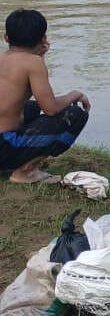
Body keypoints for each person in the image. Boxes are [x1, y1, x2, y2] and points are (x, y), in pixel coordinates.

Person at [1, 9, 91, 184]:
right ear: (43, 39)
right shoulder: (33, 63)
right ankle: (25, 172)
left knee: (33, 107)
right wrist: (75, 94)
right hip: (3, 148)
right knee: (75, 114)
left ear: (6, 37)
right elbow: (50, 108)